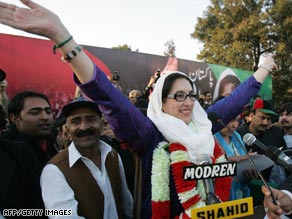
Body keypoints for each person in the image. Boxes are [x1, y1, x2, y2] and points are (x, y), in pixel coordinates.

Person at [0, 1, 279, 217]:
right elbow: (109, 97)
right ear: (161, 101)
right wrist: (62, 38)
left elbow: (235, 100)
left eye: (192, 95)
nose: (188, 101)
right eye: (178, 95)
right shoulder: (149, 134)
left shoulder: (205, 125)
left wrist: (265, 67)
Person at [40, 97, 133, 219]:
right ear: (67, 131)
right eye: (76, 121)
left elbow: (126, 205)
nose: (84, 127)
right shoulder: (54, 171)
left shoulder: (112, 155)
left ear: (101, 124)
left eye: (91, 119)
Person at [2, 90, 58, 165]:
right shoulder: (5, 153)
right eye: (35, 113)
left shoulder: (54, 143)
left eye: (48, 112)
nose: (45, 117)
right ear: (15, 119)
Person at [214, 114, 255, 200]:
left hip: (240, 196)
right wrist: (228, 160)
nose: (235, 125)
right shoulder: (210, 139)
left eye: (237, 120)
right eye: (231, 120)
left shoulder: (237, 136)